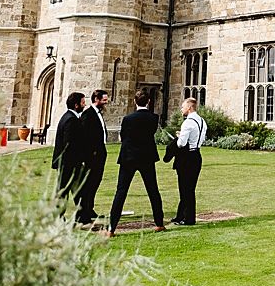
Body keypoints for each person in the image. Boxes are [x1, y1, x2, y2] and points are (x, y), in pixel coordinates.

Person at [108, 89, 165, 236]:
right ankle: (159, 223)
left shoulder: (128, 119)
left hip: (129, 157)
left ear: (134, 101)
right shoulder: (153, 118)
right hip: (146, 157)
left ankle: (111, 229)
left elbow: (123, 136)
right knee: (153, 190)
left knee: (121, 192)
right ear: (149, 102)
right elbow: (150, 133)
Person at [172, 97, 207, 226]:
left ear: (189, 107)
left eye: (183, 107)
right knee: (189, 187)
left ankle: (189, 219)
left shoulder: (188, 122)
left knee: (186, 189)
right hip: (197, 155)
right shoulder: (202, 121)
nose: (181, 109)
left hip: (187, 157)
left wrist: (179, 136)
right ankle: (180, 215)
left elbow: (181, 143)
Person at [52, 92, 86, 218]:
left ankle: (81, 214)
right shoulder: (71, 119)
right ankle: (58, 215)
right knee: (64, 190)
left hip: (69, 162)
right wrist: (78, 160)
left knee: (77, 189)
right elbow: (69, 144)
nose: (84, 105)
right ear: (76, 105)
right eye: (83, 102)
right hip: (68, 162)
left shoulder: (69, 117)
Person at [79, 89, 109, 225]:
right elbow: (84, 137)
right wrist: (88, 155)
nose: (106, 102)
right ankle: (83, 211)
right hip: (92, 155)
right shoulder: (88, 115)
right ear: (96, 99)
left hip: (99, 153)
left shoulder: (97, 113)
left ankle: (89, 208)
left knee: (95, 181)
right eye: (104, 100)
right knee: (88, 183)